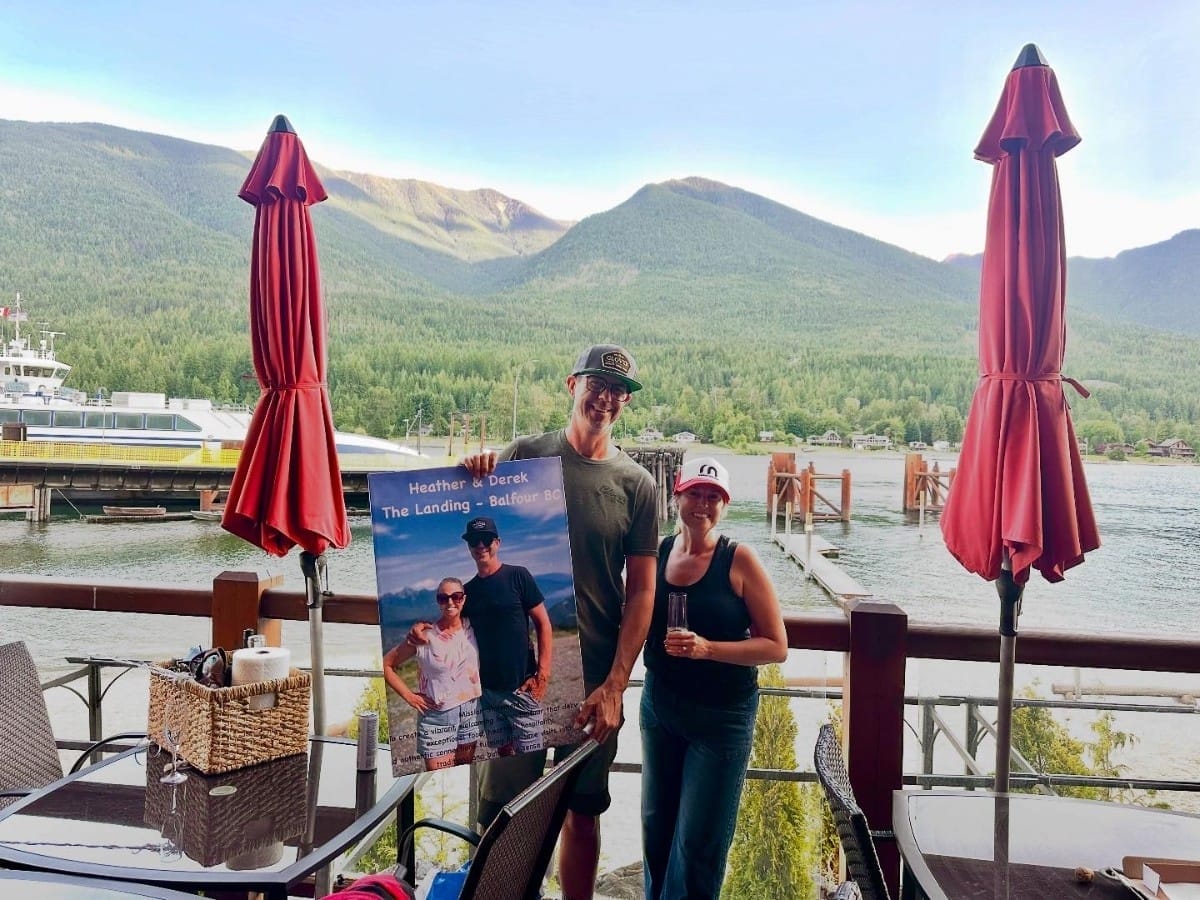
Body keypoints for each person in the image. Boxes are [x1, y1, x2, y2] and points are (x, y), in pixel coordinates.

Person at [460, 344, 659, 900]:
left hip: (594, 682)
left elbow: (642, 592)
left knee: (583, 812)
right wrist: (472, 476)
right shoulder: (525, 455)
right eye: (597, 384)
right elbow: (468, 521)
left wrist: (616, 685)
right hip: (512, 678)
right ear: (573, 384)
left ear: (626, 401)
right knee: (499, 820)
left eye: (618, 390)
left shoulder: (637, 485)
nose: (606, 398)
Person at [640, 456, 788, 900]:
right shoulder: (659, 552)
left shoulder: (738, 559)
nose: (702, 504)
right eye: (694, 494)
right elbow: (630, 617)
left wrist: (708, 649)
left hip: (720, 717)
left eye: (713, 497)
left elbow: (776, 646)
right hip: (659, 705)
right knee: (656, 827)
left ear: (724, 505)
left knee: (698, 842)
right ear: (677, 496)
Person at [460, 515, 554, 755]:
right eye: (474, 541)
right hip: (487, 693)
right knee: (503, 756)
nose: (480, 545)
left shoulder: (518, 576)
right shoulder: (467, 592)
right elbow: (453, 631)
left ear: (497, 542)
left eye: (486, 539)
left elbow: (543, 623)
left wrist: (542, 674)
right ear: (469, 546)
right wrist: (421, 632)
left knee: (529, 759)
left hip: (521, 689)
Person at [383, 577, 481, 771]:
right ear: (438, 602)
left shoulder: (474, 627)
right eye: (443, 598)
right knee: (440, 779)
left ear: (464, 599)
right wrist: (409, 696)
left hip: (471, 712)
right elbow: (386, 665)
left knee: (463, 775)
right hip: (437, 719)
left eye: (456, 596)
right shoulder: (423, 636)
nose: (450, 602)